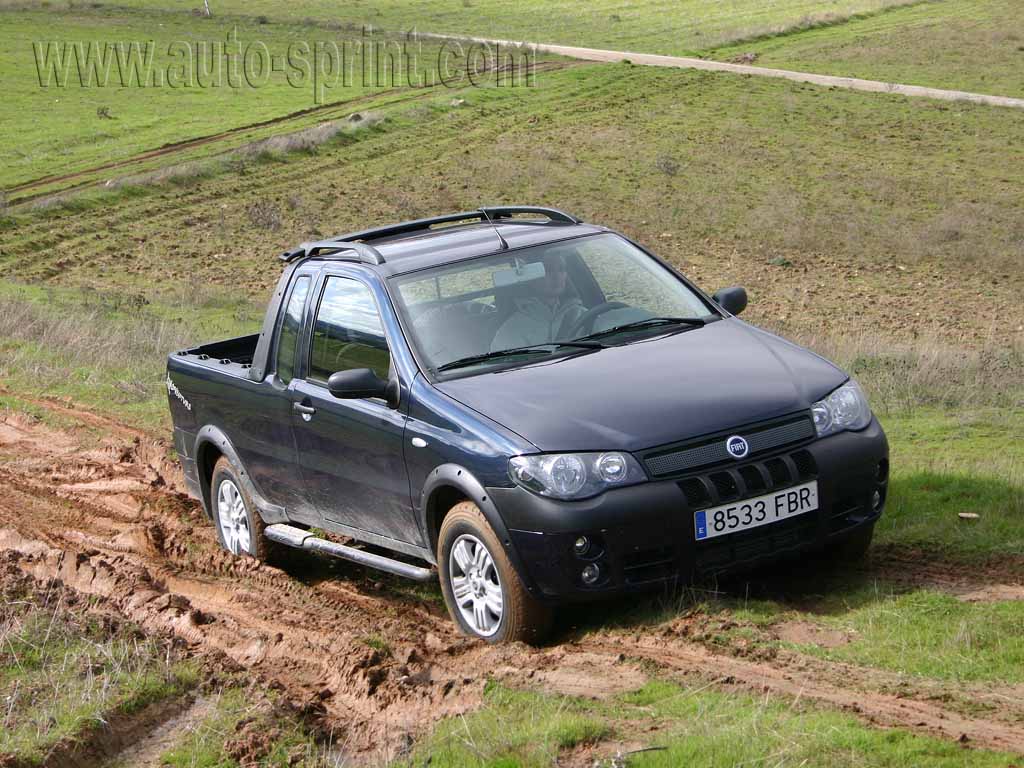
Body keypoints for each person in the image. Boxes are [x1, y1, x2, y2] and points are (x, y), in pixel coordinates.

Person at [490, 251, 586, 352]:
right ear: (531, 278)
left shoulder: (582, 314)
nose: (556, 276)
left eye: (561, 269)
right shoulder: (510, 331)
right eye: (547, 270)